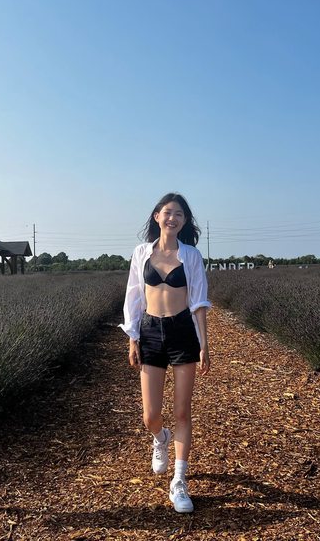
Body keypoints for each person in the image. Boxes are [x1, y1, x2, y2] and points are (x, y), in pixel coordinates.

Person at [119, 192, 211, 514]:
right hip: (150, 331)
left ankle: (179, 481)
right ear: (157, 216)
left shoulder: (191, 256)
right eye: (168, 212)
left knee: (182, 411)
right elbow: (133, 296)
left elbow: (199, 302)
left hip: (182, 331)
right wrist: (132, 339)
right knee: (151, 416)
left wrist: (204, 344)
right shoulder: (141, 253)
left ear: (184, 222)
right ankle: (161, 438)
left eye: (179, 214)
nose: (173, 218)